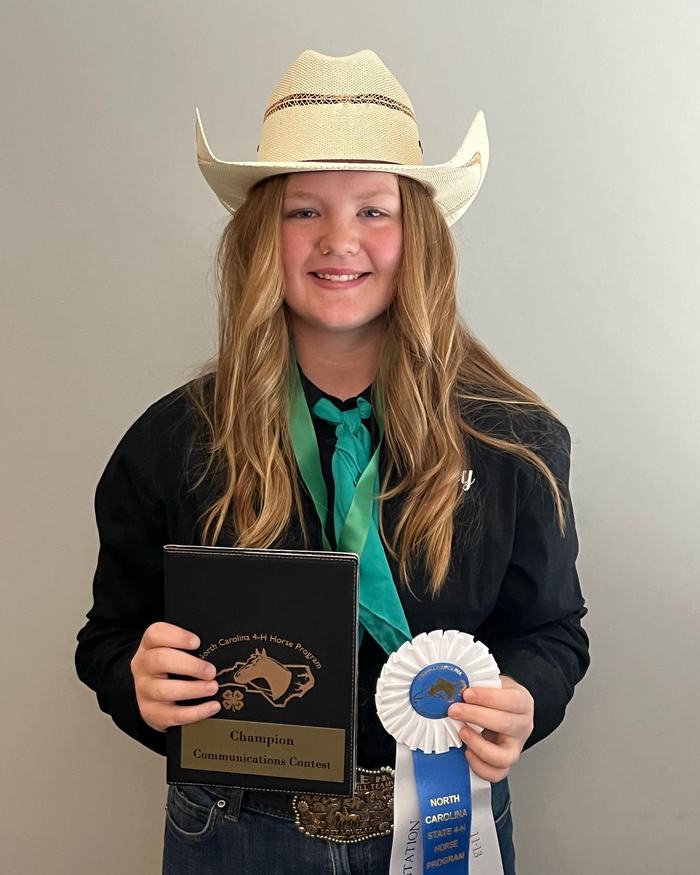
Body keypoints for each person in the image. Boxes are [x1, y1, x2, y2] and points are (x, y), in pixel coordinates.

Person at [75, 49, 589, 875]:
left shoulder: (512, 441)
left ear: (417, 236)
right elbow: (109, 635)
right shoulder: (171, 442)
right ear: (259, 237)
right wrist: (137, 683)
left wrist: (528, 697)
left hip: (445, 828)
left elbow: (551, 631)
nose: (339, 240)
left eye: (374, 211)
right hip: (234, 832)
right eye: (303, 210)